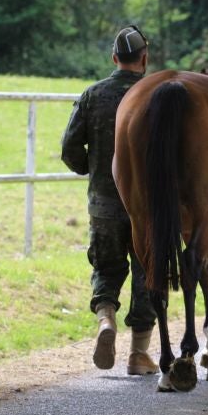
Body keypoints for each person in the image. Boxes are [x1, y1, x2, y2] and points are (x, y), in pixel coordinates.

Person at [60, 25, 158, 375]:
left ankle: (106, 321)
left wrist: (97, 170)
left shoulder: (92, 95)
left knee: (105, 268)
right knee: (148, 274)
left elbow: (69, 148)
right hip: (148, 209)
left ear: (114, 58)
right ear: (144, 59)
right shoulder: (156, 96)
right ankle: (139, 354)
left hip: (102, 203)